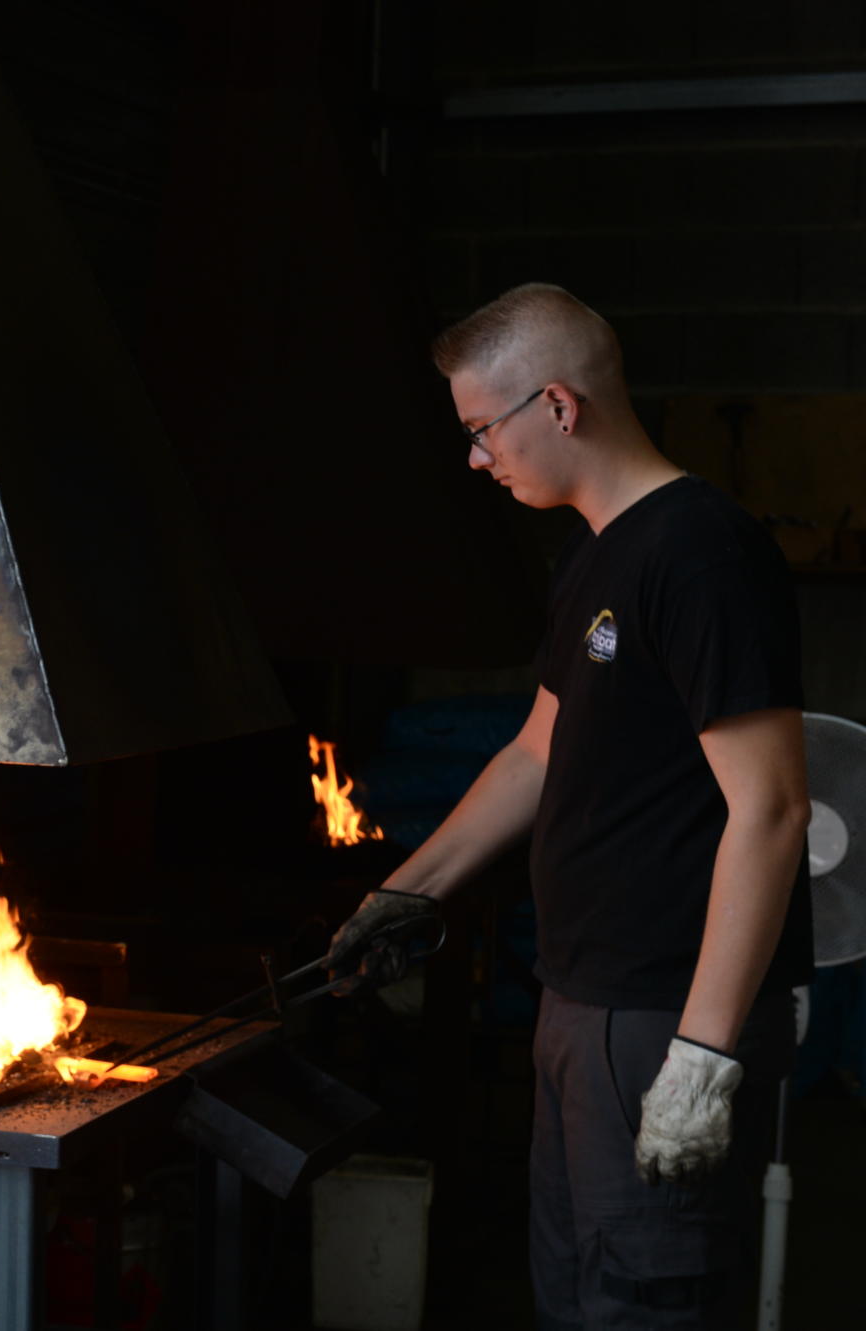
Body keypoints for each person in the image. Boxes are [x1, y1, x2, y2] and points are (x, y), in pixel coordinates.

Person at [326, 284, 814, 1328]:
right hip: (576, 999)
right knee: (576, 1295)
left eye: (479, 430)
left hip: (659, 1019)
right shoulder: (595, 552)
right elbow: (532, 754)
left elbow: (769, 808)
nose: (473, 458)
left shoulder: (699, 552)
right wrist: (396, 893)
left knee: (645, 1301)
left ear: (556, 405)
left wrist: (702, 1057)